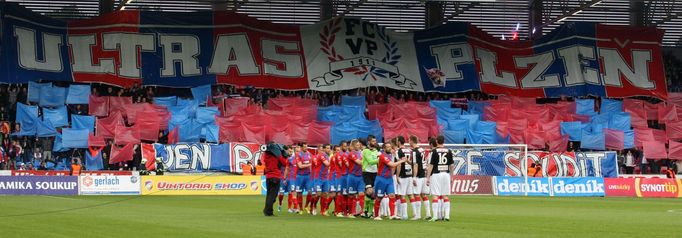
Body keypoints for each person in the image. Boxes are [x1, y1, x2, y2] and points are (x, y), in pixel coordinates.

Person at [373, 143, 407, 220]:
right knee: (379, 197)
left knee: (392, 196)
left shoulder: (391, 155)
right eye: (387, 147)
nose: (389, 148)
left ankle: (392, 215)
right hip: (381, 179)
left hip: (389, 179)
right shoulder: (382, 156)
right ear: (384, 149)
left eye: (390, 147)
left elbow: (393, 166)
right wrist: (402, 161)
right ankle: (376, 216)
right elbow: (392, 165)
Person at [426, 135, 454, 222]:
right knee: (445, 195)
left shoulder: (434, 151)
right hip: (446, 174)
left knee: (435, 195)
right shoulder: (449, 151)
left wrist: (427, 178)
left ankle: (435, 216)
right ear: (444, 141)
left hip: (436, 174)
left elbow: (431, 166)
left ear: (437, 141)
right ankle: (447, 216)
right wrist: (452, 176)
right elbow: (452, 165)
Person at [262, 143, 289, 217]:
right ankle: (268, 211)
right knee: (273, 196)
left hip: (268, 176)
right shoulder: (277, 155)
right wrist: (284, 155)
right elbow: (284, 163)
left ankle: (266, 210)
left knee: (269, 195)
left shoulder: (265, 155)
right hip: (276, 176)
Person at [410, 135, 430, 220]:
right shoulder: (422, 149)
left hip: (418, 176)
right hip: (424, 174)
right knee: (423, 194)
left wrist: (414, 177)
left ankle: (417, 215)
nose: (409, 142)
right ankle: (428, 213)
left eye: (409, 140)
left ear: (411, 141)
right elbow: (423, 161)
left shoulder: (414, 151)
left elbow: (416, 165)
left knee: (416, 194)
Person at [395, 136, 415, 220]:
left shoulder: (398, 151)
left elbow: (399, 164)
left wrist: (397, 176)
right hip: (409, 175)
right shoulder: (410, 150)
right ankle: (415, 214)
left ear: (399, 142)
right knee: (410, 195)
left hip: (402, 176)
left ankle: (405, 215)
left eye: (396, 141)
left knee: (402, 195)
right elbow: (412, 163)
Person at [361, 135, 380, 218]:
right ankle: (365, 211)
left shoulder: (377, 151)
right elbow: (370, 161)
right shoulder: (365, 151)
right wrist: (380, 158)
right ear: (368, 142)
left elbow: (378, 164)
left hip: (375, 173)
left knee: (373, 194)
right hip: (367, 173)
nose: (374, 143)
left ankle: (370, 212)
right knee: (369, 191)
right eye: (373, 141)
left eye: (375, 141)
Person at [312, 144, 332, 216]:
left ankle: (322, 211)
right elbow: (327, 164)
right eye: (327, 148)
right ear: (323, 149)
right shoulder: (322, 155)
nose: (328, 150)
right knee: (318, 194)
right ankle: (314, 206)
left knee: (325, 194)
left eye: (329, 148)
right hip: (319, 178)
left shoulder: (328, 156)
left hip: (325, 178)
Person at [347, 139, 365, 217]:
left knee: (361, 193)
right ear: (353, 146)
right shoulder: (351, 154)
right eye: (357, 145)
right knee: (352, 195)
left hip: (360, 176)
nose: (359, 146)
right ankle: (351, 212)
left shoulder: (361, 153)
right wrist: (369, 160)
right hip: (352, 176)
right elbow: (359, 162)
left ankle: (361, 211)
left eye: (359, 145)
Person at [295, 143, 313, 215]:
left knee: (310, 192)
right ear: (301, 148)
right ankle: (301, 209)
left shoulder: (309, 154)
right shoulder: (298, 155)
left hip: (308, 176)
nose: (306, 147)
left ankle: (306, 206)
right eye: (304, 146)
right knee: (299, 193)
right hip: (300, 176)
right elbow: (300, 166)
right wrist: (309, 164)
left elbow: (312, 163)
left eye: (307, 146)